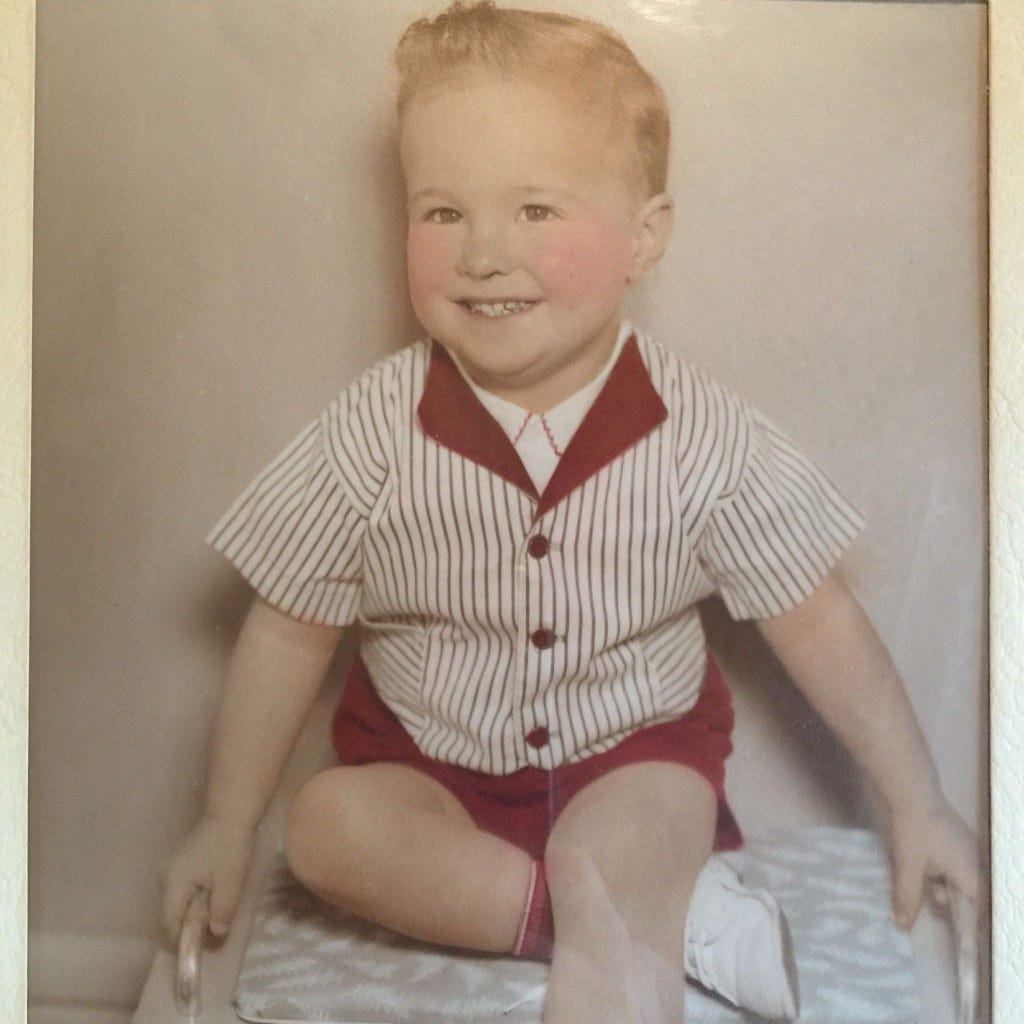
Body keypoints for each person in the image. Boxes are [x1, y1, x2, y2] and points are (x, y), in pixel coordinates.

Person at [162, 4, 980, 1022]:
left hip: (633, 753)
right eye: (441, 212)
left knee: (626, 835)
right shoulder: (372, 429)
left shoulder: (701, 435)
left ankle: (616, 934)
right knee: (325, 827)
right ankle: (652, 919)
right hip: (421, 766)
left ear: (644, 238)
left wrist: (917, 800)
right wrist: (226, 822)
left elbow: (816, 621)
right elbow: (289, 628)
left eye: (535, 211)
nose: (482, 252)